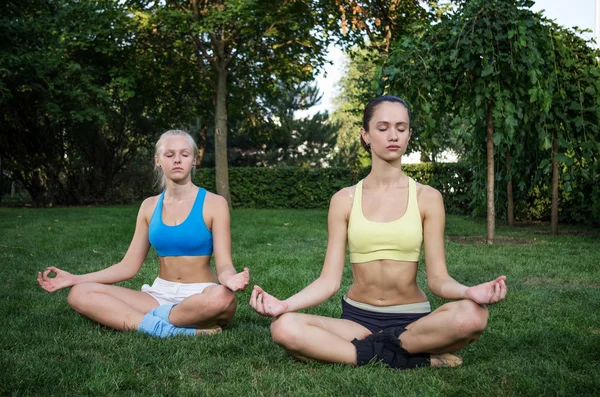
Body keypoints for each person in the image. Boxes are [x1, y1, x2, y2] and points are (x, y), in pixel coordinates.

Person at [249, 96, 507, 369]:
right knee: (284, 327)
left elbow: (438, 280)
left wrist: (469, 292)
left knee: (473, 316)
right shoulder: (344, 199)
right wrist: (284, 305)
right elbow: (328, 281)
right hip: (357, 321)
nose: (392, 135)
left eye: (401, 127)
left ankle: (357, 352)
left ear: (409, 135)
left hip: (413, 321)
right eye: (382, 128)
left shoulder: (427, 197)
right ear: (366, 135)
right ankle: (411, 358)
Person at [38, 130, 249, 337]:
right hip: (159, 295)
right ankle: (163, 329)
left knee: (222, 298)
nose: (177, 160)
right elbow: (128, 266)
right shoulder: (149, 206)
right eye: (169, 155)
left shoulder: (214, 203)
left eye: (184, 154)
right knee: (79, 293)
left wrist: (230, 279)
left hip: (201, 294)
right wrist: (75, 279)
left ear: (194, 160)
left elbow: (224, 264)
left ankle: (144, 319)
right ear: (158, 160)